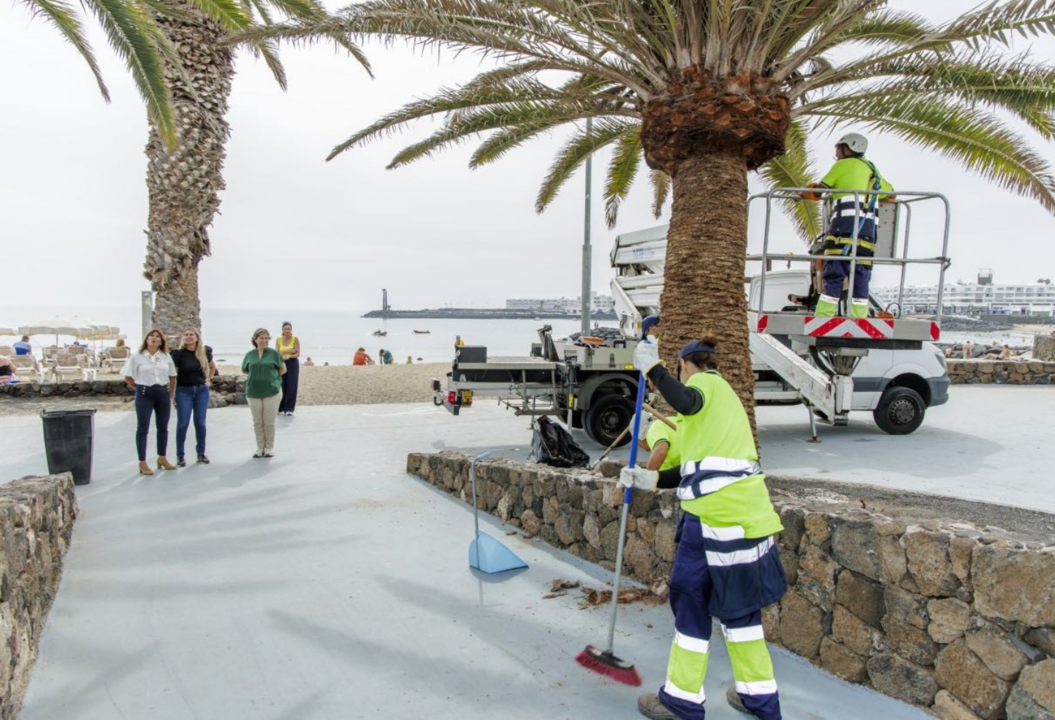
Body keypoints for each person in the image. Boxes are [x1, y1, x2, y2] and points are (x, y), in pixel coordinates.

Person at [624, 337, 786, 720]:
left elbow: (685, 400)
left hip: (714, 520)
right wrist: (652, 481)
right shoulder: (724, 408)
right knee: (741, 614)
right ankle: (759, 700)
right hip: (750, 518)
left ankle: (681, 701)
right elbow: (696, 467)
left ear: (685, 367)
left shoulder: (706, 384)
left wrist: (652, 368)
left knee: (690, 599)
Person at [802, 132, 894, 319]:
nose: (836, 152)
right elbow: (891, 195)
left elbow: (821, 189)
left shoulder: (843, 165)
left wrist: (806, 191)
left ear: (847, 149)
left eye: (838, 148)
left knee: (834, 272)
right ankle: (859, 317)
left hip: (843, 229)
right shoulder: (872, 170)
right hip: (867, 235)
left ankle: (824, 316)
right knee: (861, 275)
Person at [122, 329, 178, 476]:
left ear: (161, 341)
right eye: (151, 336)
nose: (154, 338)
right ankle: (142, 461)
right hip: (144, 394)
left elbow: (172, 376)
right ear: (146, 339)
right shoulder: (137, 357)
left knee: (163, 427)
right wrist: (140, 386)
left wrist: (171, 394)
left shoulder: (165, 356)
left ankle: (162, 457)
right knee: (143, 428)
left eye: (157, 336)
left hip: (162, 394)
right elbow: (127, 377)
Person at [171, 328, 216, 467]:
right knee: (183, 424)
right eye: (186, 335)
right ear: (183, 338)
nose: (189, 337)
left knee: (200, 424)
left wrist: (209, 379)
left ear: (197, 337)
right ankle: (180, 456)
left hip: (201, 391)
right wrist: (171, 394)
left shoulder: (204, 352)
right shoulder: (178, 354)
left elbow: (212, 367)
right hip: (183, 392)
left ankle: (201, 454)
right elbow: (171, 374)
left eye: (192, 335)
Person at [242, 328, 285, 458]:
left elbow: (283, 370)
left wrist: (270, 378)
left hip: (272, 391)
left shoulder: (274, 354)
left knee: (269, 421)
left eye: (266, 338)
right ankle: (260, 448)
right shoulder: (249, 355)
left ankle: (269, 448)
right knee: (257, 421)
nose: (264, 340)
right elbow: (244, 370)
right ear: (255, 339)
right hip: (253, 391)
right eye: (261, 338)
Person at [276, 321, 301, 416]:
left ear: (291, 330)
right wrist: (290, 350)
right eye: (285, 329)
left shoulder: (295, 339)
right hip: (281, 363)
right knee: (281, 385)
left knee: (291, 386)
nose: (287, 330)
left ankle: (289, 409)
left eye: (289, 329)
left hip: (292, 363)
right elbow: (276, 353)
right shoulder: (278, 340)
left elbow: (298, 353)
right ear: (282, 330)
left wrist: (290, 356)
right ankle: (280, 408)